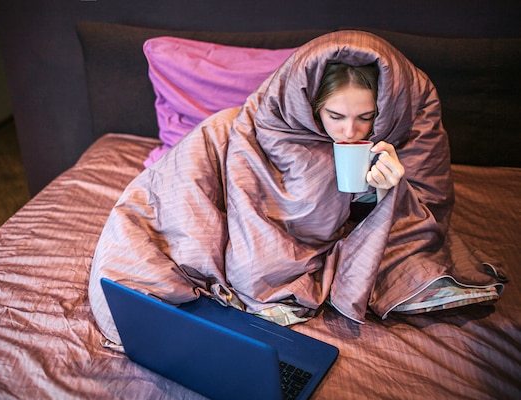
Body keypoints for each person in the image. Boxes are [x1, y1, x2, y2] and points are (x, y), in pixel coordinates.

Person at [88, 31, 502, 345]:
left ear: (388, 108)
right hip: (229, 164)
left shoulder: (407, 124)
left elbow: (428, 208)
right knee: (195, 188)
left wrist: (387, 194)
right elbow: (242, 191)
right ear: (310, 104)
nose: (349, 132)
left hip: (366, 208)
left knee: (420, 268)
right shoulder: (263, 124)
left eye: (366, 118)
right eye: (335, 116)